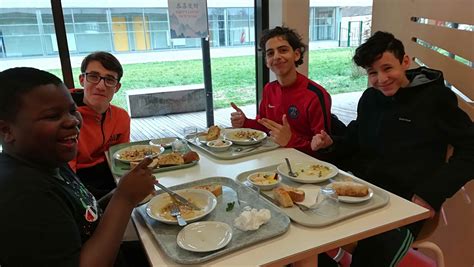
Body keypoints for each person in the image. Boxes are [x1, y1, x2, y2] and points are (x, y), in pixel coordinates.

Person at [311, 31, 474, 266]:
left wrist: (431, 194)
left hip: (408, 204)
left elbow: (470, 149)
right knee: (305, 228)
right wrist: (330, 145)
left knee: (373, 251)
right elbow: (354, 141)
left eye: (388, 68)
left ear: (405, 62)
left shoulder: (436, 99)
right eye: (373, 73)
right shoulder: (370, 98)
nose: (381, 79)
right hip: (363, 193)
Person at [0, 67, 155, 266]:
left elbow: (86, 215)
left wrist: (123, 190)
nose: (73, 121)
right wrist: (124, 199)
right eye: (52, 116)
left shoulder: (49, 160)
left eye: (72, 110)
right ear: (6, 130)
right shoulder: (21, 194)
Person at [230, 26, 333, 155]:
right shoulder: (269, 89)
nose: (276, 57)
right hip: (272, 157)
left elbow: (324, 150)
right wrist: (244, 122)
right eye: (270, 53)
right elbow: (265, 128)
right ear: (267, 61)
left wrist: (290, 140)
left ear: (296, 55)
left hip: (306, 165)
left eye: (283, 50)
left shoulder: (315, 95)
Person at [69, 51, 130, 199]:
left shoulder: (121, 117)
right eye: (93, 77)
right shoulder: (66, 119)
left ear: (117, 87)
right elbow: (68, 175)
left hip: (112, 178)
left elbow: (122, 160)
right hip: (79, 184)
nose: (101, 86)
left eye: (109, 79)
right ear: (82, 80)